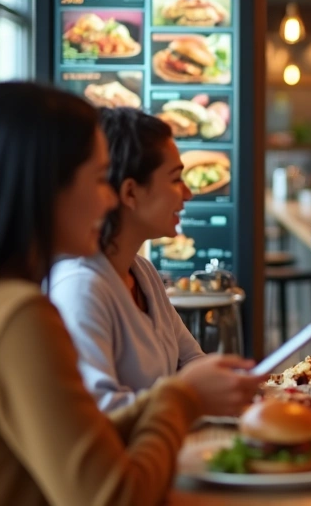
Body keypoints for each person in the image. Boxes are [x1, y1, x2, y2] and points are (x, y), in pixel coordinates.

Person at [0, 83, 266, 506]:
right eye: (101, 178)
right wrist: (182, 397)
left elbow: (82, 439)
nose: (109, 200)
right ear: (45, 186)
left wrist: (180, 398)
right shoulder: (17, 315)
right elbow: (110, 497)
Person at [49, 107, 206, 410]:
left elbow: (192, 361)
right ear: (130, 193)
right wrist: (191, 395)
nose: (187, 194)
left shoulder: (142, 271)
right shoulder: (81, 287)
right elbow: (101, 411)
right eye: (175, 180)